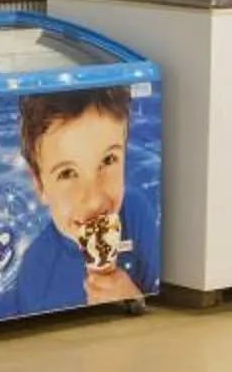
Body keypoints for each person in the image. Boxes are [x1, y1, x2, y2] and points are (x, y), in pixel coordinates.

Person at [15, 86, 142, 306]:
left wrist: (133, 297)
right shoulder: (37, 270)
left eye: (108, 160)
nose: (94, 199)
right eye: (67, 173)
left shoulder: (138, 216)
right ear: (39, 185)